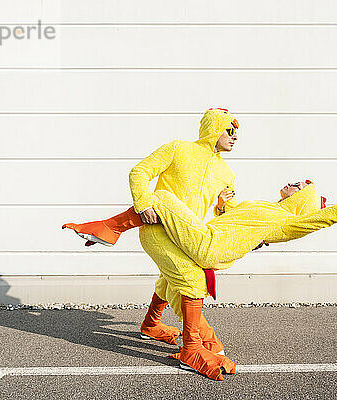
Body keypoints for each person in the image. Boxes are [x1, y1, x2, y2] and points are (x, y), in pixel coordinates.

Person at [63, 180, 337, 379]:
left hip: (208, 246)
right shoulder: (263, 207)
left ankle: (110, 228)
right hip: (208, 235)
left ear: (303, 200)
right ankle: (165, 330)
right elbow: (232, 219)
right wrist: (223, 204)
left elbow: (328, 217)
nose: (291, 183)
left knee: (161, 198)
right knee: (163, 250)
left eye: (298, 185)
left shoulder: (288, 222)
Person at [64, 108, 241, 376]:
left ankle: (151, 325)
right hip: (157, 228)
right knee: (192, 280)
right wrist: (144, 202)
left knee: (170, 279)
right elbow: (139, 172)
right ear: (214, 128)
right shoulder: (178, 149)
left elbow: (226, 213)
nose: (235, 137)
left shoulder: (226, 172)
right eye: (230, 130)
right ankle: (193, 348)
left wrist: (222, 207)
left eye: (237, 132)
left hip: (189, 235)